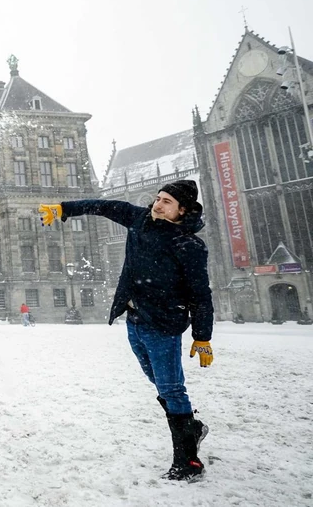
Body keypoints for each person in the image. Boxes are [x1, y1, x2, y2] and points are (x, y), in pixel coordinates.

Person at [39, 180, 214, 481]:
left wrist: (202, 336)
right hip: (134, 319)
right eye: (158, 198)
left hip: (163, 324)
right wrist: (64, 209)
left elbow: (200, 294)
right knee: (159, 383)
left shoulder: (189, 246)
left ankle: (188, 462)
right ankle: (192, 429)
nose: (158, 205)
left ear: (182, 210)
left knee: (172, 389)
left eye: (167, 202)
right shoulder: (140, 219)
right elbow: (104, 206)